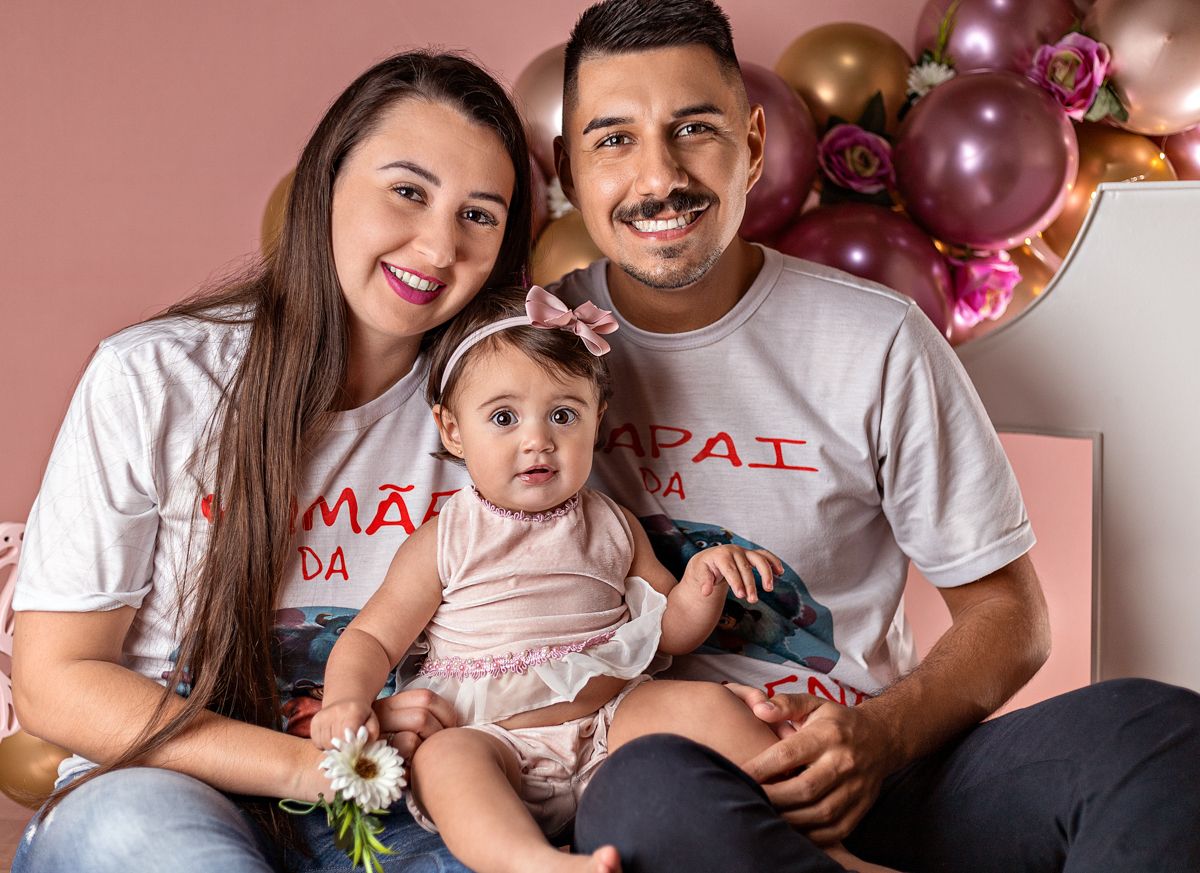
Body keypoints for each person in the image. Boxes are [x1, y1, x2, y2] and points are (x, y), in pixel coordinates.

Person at [548, 1, 1200, 871]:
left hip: (878, 772)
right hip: (668, 786)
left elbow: (1010, 615)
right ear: (568, 166)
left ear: (752, 144)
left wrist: (878, 737)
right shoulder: (523, 349)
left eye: (694, 129)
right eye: (614, 139)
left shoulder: (875, 337)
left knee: (1159, 733)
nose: (659, 176)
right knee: (646, 794)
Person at [10, 51, 536, 873]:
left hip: (392, 807)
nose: (439, 246)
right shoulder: (157, 377)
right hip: (155, 792)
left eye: (478, 215)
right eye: (408, 191)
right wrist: (318, 764)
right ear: (326, 184)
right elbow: (55, 680)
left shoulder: (501, 417)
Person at [312, 286, 892, 873]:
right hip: (494, 738)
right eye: (504, 418)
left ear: (597, 420)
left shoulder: (613, 525)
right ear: (453, 429)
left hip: (614, 726)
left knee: (707, 705)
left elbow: (670, 631)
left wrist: (703, 579)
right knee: (445, 762)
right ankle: (532, 863)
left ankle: (825, 851)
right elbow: (372, 638)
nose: (537, 440)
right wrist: (345, 702)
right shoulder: (445, 539)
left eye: (563, 415)